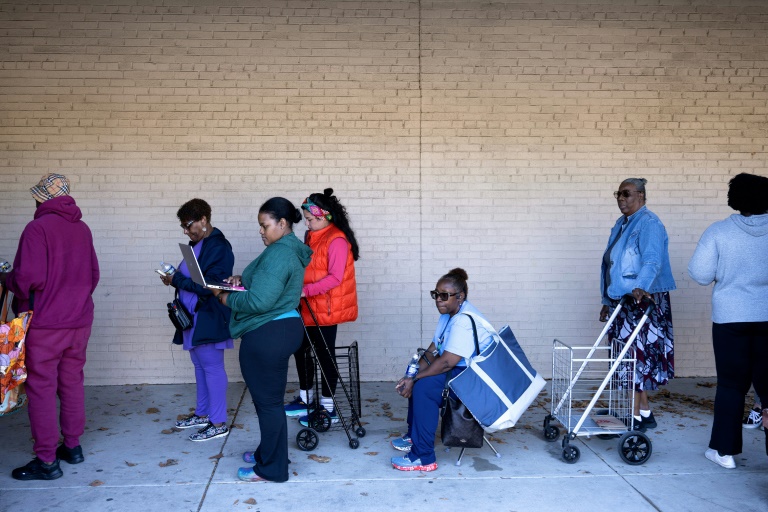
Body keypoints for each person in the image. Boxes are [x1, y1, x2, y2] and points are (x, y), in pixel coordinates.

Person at [0, 174, 99, 481]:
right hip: (79, 322)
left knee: (41, 389)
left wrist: (7, 278)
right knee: (72, 383)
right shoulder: (82, 229)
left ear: (41, 199)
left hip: (45, 324)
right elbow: (93, 275)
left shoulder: (37, 229)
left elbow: (28, 278)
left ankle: (46, 460)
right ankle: (72, 447)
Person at [210, 198, 312, 483]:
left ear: (282, 224)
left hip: (269, 332)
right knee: (270, 403)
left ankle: (272, 469)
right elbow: (269, 288)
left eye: (264, 225)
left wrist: (223, 296)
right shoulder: (286, 251)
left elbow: (259, 300)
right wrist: (242, 280)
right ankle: (271, 453)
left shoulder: (280, 253)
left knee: (268, 404)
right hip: (280, 330)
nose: (260, 231)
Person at [688, 172, 768, 469]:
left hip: (730, 320)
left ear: (734, 199)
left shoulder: (719, 231)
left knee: (732, 385)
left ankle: (724, 452)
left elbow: (699, 273)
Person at [390, 268, 494, 472]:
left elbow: (446, 362)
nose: (438, 299)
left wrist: (416, 379)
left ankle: (423, 457)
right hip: (462, 372)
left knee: (424, 388)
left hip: (476, 381)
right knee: (417, 379)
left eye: (444, 295)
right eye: (436, 294)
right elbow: (432, 350)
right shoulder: (449, 314)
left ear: (460, 296)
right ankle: (414, 435)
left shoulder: (464, 320)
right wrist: (409, 375)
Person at [599, 178, 676, 432]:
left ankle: (631, 416)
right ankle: (644, 411)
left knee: (633, 359)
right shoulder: (622, 224)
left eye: (626, 194)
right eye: (617, 194)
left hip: (643, 300)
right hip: (624, 300)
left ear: (641, 196)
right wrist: (606, 300)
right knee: (626, 356)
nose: (621, 198)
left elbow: (652, 260)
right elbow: (611, 265)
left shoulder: (649, 223)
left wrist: (641, 287)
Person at [159, 199, 235, 442]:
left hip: (209, 316)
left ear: (204, 220)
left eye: (188, 224)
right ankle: (203, 414)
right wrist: (173, 277)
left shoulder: (219, 246)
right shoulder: (198, 244)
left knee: (212, 368)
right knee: (200, 366)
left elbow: (209, 285)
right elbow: (191, 277)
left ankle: (218, 422)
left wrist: (176, 281)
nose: (185, 230)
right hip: (193, 318)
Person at [283, 188, 359, 425]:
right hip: (306, 306)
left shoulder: (336, 239)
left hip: (325, 308)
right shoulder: (311, 236)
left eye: (310, 219)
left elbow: (335, 278)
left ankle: (328, 407)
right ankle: (306, 399)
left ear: (324, 216)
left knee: (325, 356)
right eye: (305, 219)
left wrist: (305, 291)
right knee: (300, 350)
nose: (306, 223)